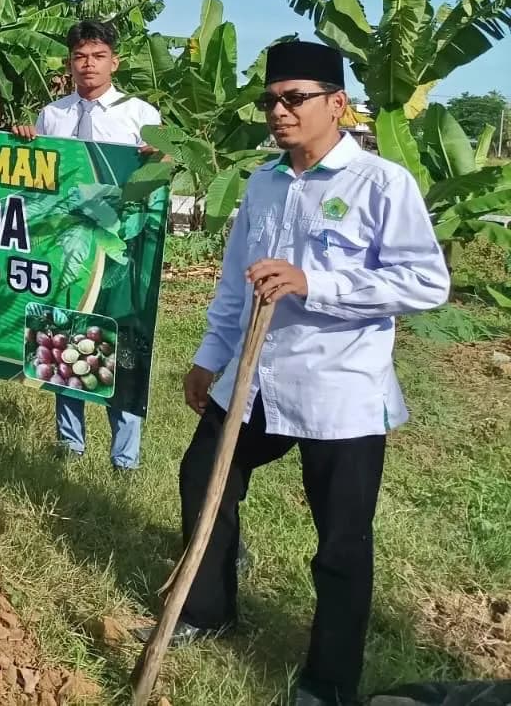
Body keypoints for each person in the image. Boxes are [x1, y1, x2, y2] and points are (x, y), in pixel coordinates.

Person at [141, 40, 449, 706]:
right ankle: (206, 609)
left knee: (340, 542)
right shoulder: (264, 183)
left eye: (295, 98)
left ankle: (328, 682)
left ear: (337, 105)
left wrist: (316, 284)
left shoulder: (379, 184)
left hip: (339, 391)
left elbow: (426, 282)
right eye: (271, 101)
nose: (279, 112)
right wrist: (209, 357)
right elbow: (233, 281)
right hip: (256, 379)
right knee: (205, 479)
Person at [12, 19, 160, 468]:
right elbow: (43, 178)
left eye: (97, 56)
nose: (88, 65)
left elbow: (167, 169)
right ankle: (70, 443)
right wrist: (28, 142)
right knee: (65, 332)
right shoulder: (53, 115)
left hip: (120, 247)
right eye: (80, 57)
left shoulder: (142, 114)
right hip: (66, 245)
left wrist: (161, 156)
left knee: (123, 340)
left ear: (114, 61)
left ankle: (125, 456)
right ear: (69, 63)